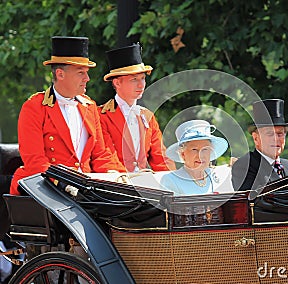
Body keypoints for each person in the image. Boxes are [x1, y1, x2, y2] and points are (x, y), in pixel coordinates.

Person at [10, 36, 126, 195]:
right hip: (47, 188)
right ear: (60, 74)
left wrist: (114, 176)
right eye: (81, 73)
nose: (87, 79)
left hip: (86, 190)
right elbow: (35, 161)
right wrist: (65, 182)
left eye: (86, 73)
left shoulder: (90, 107)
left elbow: (102, 154)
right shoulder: (34, 107)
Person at [99, 44, 175, 173]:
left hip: (143, 185)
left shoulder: (148, 116)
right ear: (117, 83)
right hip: (115, 184)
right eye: (134, 79)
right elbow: (106, 157)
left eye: (143, 78)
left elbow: (161, 158)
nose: (141, 85)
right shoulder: (101, 115)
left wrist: (173, 180)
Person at [231, 99, 288, 191]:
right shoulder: (245, 166)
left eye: (280, 134)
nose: (276, 138)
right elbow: (254, 200)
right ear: (256, 138)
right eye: (270, 134)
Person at [160, 120, 228, 196]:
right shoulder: (171, 180)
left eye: (205, 149)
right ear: (183, 154)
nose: (200, 156)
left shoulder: (217, 176)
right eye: (194, 149)